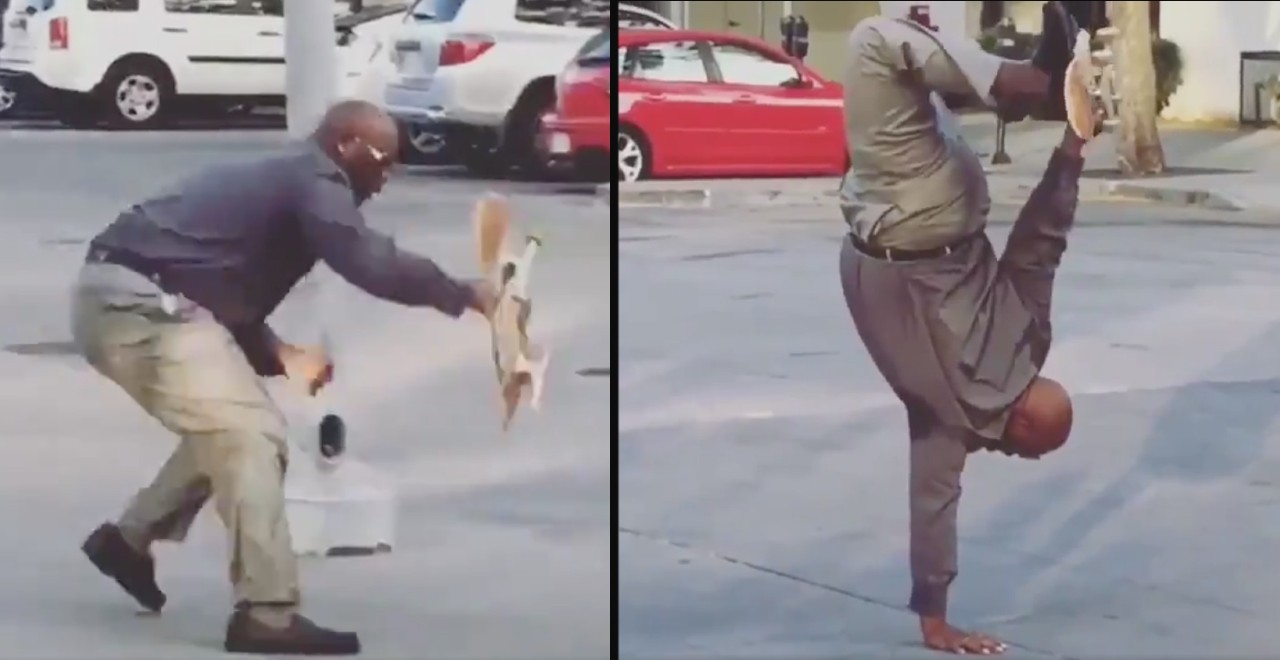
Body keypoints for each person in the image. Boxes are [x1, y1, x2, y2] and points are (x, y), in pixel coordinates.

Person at [70, 100, 497, 655]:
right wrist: (461, 293)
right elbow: (366, 258)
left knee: (233, 424)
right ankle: (266, 615)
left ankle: (128, 541)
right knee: (251, 436)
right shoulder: (313, 177)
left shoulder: (287, 182)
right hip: (139, 304)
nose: (385, 178)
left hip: (137, 297)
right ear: (345, 145)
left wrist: (283, 355)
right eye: (381, 162)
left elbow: (222, 294)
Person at [838, 2, 1098, 655]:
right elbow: (933, 511)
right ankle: (1033, 80)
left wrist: (1073, 151)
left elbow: (1042, 243)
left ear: (1026, 428)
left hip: (926, 204)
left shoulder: (973, 399)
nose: (1038, 378)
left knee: (882, 44)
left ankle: (1029, 81)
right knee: (886, 49)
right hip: (907, 215)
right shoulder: (949, 421)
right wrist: (935, 622)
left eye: (1042, 394)